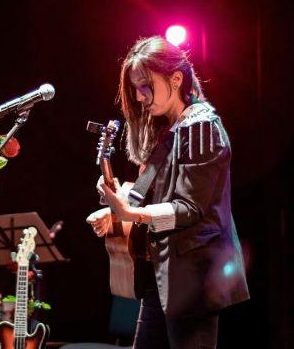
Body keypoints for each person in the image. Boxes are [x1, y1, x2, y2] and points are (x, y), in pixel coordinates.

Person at [86, 36, 250, 348]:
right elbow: (155, 195)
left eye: (146, 85)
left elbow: (188, 209)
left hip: (192, 279)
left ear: (176, 78)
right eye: (135, 86)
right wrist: (116, 207)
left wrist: (131, 213)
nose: (139, 95)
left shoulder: (202, 128)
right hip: (162, 277)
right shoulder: (168, 129)